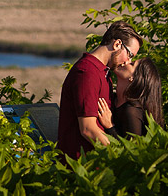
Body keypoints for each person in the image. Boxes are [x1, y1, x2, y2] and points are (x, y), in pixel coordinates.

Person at [57, 21, 142, 159]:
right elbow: (88, 129)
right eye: (130, 55)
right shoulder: (87, 72)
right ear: (117, 44)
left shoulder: (103, 72)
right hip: (81, 167)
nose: (127, 61)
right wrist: (122, 156)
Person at [97, 56, 164, 137]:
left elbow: (132, 148)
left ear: (134, 78)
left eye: (132, 64)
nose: (126, 61)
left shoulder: (131, 111)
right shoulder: (114, 98)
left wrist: (110, 127)